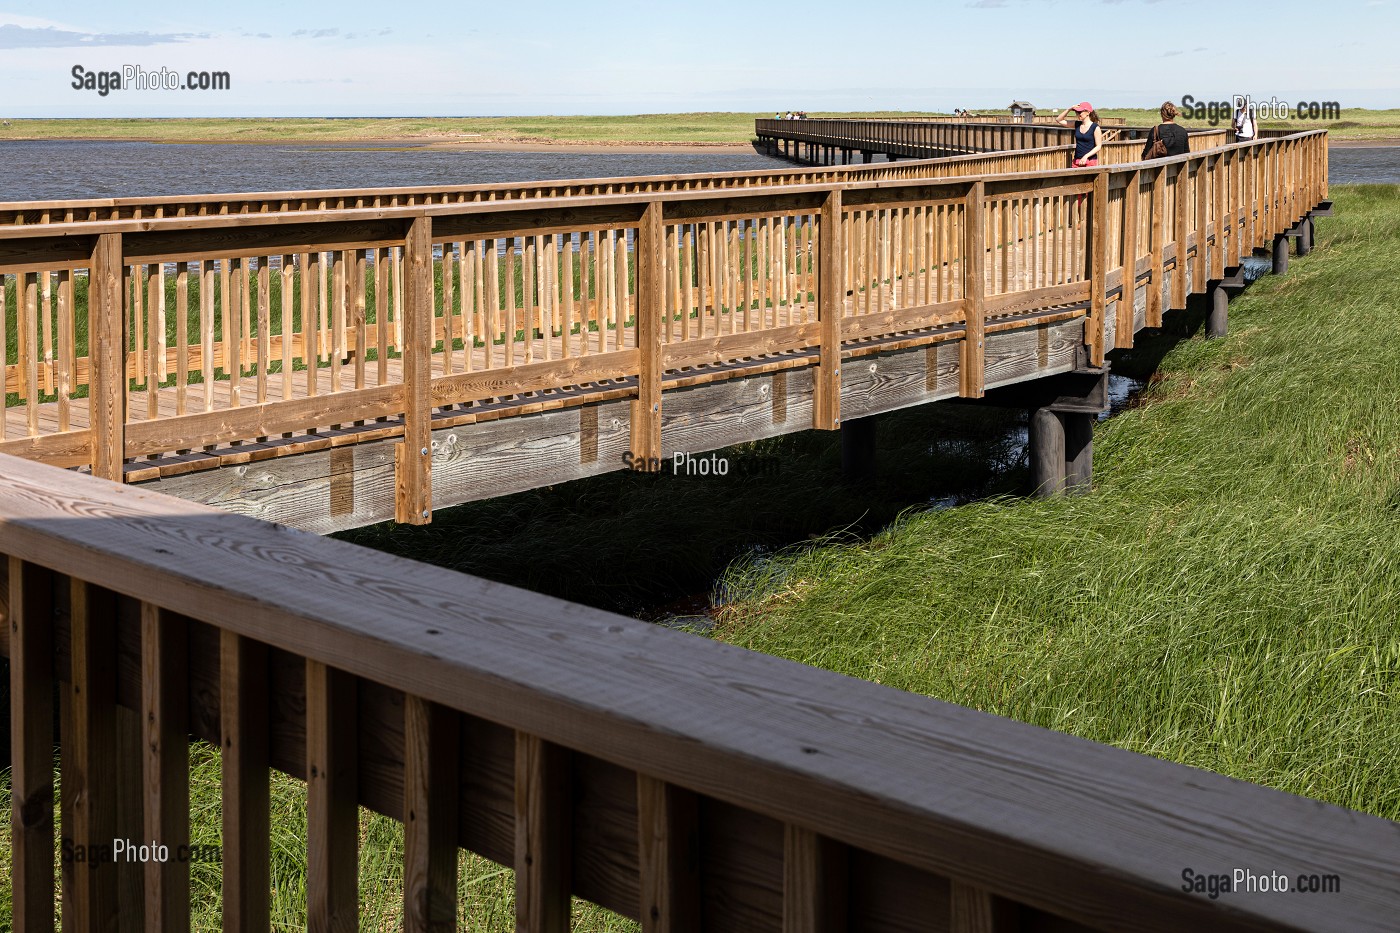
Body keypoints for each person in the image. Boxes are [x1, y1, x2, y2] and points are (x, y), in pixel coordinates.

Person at [1055, 101, 1103, 167]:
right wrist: (1069, 109)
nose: (1078, 114)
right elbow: (1059, 120)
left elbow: (1098, 146)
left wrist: (1086, 156)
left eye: (1080, 112)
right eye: (1076, 112)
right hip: (1077, 160)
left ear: (1088, 112)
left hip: (1090, 161)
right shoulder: (1077, 124)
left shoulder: (1095, 127)